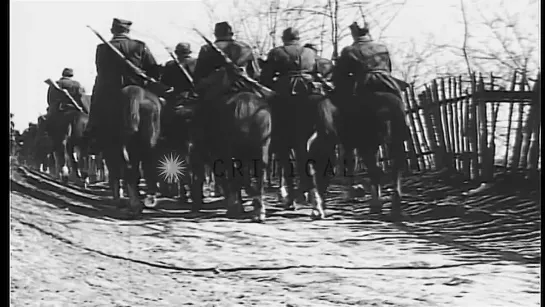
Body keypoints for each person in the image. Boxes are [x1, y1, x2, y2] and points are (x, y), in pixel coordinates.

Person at [84, 18, 161, 152]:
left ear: (112, 30)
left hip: (109, 88)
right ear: (127, 30)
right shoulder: (140, 46)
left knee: (95, 103)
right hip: (137, 86)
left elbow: (100, 70)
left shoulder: (102, 48)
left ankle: (93, 135)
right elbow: (153, 69)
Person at [332, 21, 402, 100]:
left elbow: (341, 74)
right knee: (398, 100)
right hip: (387, 82)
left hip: (364, 84)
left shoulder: (349, 51)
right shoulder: (382, 47)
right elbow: (389, 69)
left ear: (353, 33)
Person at [193, 21, 260, 100]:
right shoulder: (245, 47)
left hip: (217, 89)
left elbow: (199, 75)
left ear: (215, 34)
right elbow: (256, 73)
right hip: (245, 86)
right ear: (231, 33)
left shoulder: (206, 49)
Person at [260, 27, 319, 97]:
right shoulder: (311, 52)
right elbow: (317, 73)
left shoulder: (276, 52)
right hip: (308, 88)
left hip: (284, 90)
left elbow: (266, 76)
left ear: (283, 38)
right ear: (298, 39)